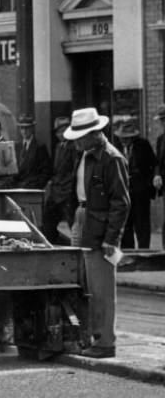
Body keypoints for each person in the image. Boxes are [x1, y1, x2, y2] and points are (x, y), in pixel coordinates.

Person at [63, 107, 130, 359]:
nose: (77, 141)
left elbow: (121, 203)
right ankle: (93, 337)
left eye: (81, 136)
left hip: (97, 224)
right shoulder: (85, 155)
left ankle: (104, 341)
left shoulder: (111, 159)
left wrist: (111, 239)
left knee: (100, 287)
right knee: (85, 283)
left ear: (95, 134)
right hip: (84, 218)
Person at [113, 120, 156, 249]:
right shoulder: (116, 146)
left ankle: (144, 251)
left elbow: (153, 164)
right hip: (123, 190)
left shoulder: (143, 145)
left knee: (142, 223)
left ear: (132, 137)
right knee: (126, 224)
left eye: (126, 138)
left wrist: (148, 183)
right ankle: (128, 252)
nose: (123, 140)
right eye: (122, 138)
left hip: (140, 191)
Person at [42, 115, 78, 246]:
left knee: (72, 223)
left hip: (67, 192)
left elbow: (74, 171)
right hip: (56, 191)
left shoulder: (74, 146)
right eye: (58, 131)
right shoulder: (59, 147)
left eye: (63, 130)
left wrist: (68, 189)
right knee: (48, 222)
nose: (60, 134)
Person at [14, 113, 52, 189]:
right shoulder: (17, 146)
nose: (24, 131)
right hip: (16, 188)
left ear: (32, 128)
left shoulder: (40, 146)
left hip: (32, 188)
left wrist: (37, 186)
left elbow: (46, 171)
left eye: (27, 128)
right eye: (22, 128)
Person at [155, 106, 165, 247]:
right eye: (162, 120)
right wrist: (157, 174)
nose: (163, 123)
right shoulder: (161, 139)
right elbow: (157, 161)